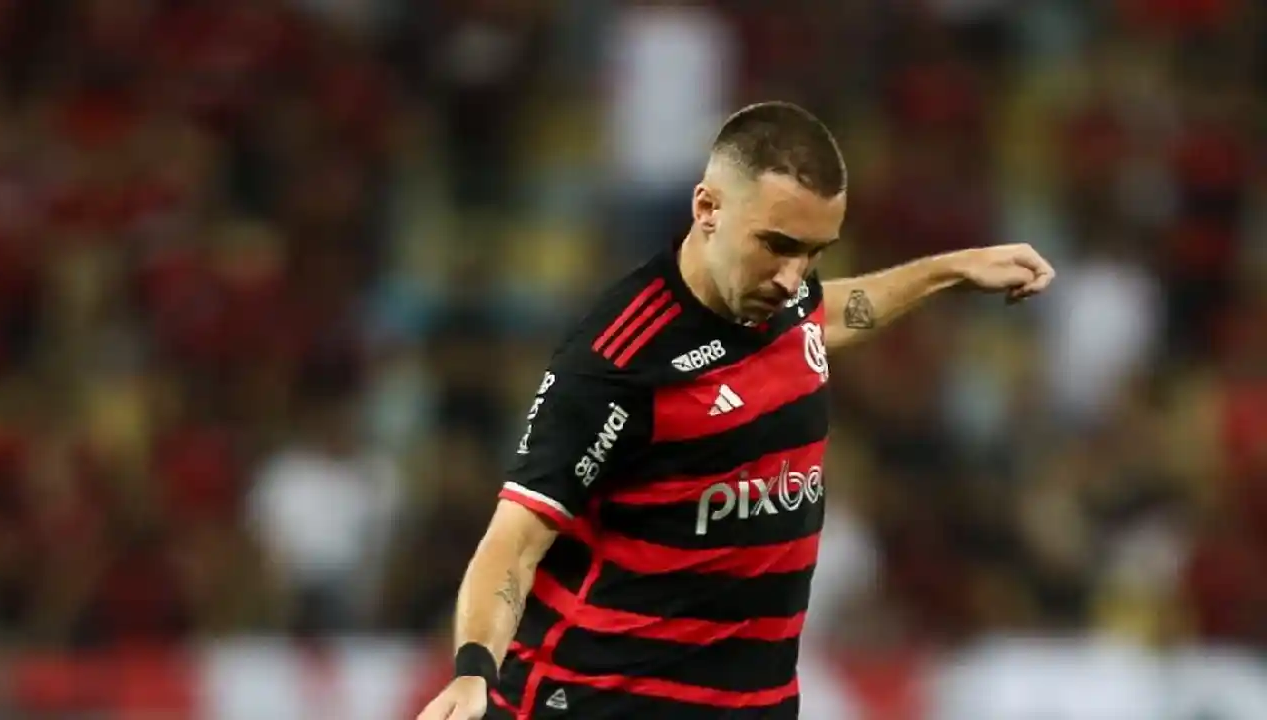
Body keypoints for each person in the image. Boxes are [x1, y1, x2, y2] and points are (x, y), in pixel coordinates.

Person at [417, 101, 1055, 720]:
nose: (791, 275)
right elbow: (513, 543)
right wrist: (475, 671)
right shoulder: (618, 362)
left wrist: (954, 270)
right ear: (708, 209)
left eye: (813, 252)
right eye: (776, 245)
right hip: (603, 698)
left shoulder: (781, 301)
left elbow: (832, 309)